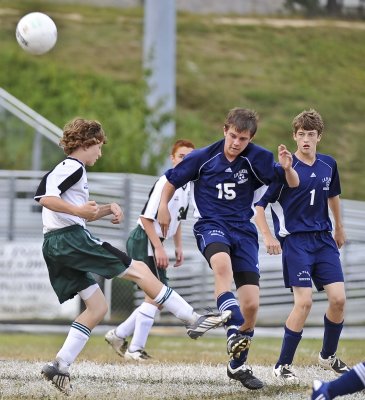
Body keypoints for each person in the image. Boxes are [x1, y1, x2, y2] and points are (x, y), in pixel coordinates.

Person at [33, 118, 231, 395]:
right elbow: (44, 196)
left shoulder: (72, 170)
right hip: (68, 240)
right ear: (86, 143)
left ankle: (60, 366)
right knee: (138, 268)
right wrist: (80, 213)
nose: (100, 153)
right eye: (99, 147)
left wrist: (105, 209)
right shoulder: (72, 166)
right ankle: (192, 318)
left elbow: (73, 208)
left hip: (56, 243)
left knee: (98, 308)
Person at [157, 108, 299, 390]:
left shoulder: (258, 158)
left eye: (243, 139)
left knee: (251, 305)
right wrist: (163, 207)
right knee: (222, 266)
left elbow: (291, 184)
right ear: (225, 130)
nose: (236, 142)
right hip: (211, 225)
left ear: (251, 138)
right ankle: (231, 319)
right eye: (233, 136)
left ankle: (237, 365)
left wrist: (287, 168)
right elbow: (171, 181)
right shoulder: (202, 157)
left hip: (244, 231)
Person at [255, 109, 350, 384]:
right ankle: (282, 365)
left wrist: (340, 227)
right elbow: (259, 206)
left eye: (311, 134)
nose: (306, 139)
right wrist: (268, 236)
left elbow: (333, 196)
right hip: (296, 242)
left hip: (323, 239)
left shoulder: (329, 164)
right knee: (304, 302)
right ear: (294, 137)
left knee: (339, 299)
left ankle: (327, 356)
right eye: (301, 134)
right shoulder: (285, 168)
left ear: (319, 137)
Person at [105, 139, 195, 361]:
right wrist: (158, 247)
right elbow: (146, 219)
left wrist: (178, 246)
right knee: (156, 295)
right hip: (144, 238)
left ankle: (118, 335)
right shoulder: (166, 180)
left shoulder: (186, 186)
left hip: (156, 241)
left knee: (158, 298)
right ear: (172, 158)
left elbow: (177, 219)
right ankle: (134, 348)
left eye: (190, 157)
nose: (186, 161)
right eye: (182, 156)